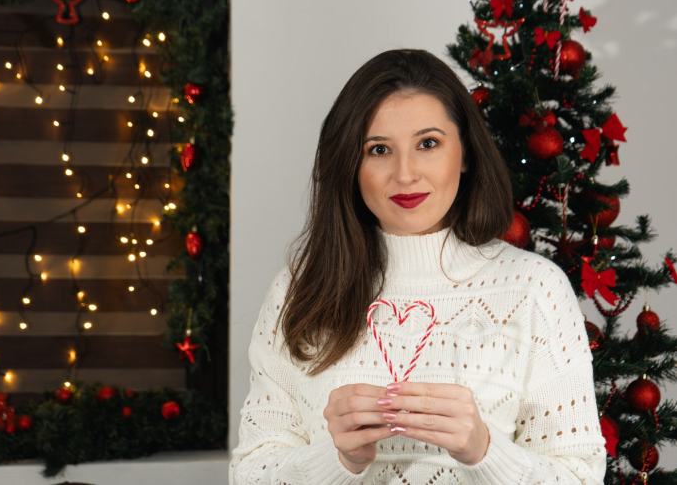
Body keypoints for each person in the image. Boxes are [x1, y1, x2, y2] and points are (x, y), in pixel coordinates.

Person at [230, 49, 606, 484]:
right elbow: (249, 475)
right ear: (351, 165)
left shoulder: (534, 289)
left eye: (428, 144)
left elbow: (579, 477)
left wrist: (484, 450)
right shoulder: (298, 290)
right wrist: (339, 462)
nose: (405, 174)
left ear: (464, 153)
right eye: (379, 149)